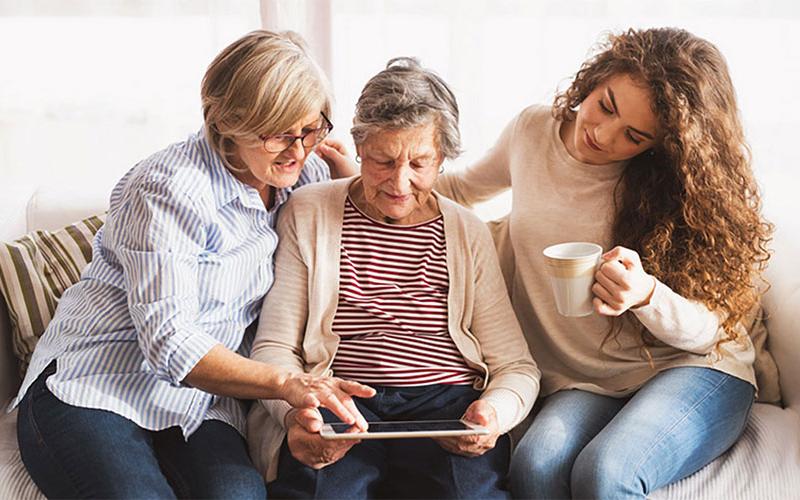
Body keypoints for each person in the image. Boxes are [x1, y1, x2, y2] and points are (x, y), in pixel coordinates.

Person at [12, 30, 375, 499]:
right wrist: (287, 383)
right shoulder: (167, 187)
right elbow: (170, 341)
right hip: (94, 383)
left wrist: (351, 179)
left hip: (199, 404)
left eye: (311, 128)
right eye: (278, 134)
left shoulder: (304, 171)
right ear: (226, 121)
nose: (298, 148)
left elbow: (377, 212)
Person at [434, 27, 773, 499]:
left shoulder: (673, 185)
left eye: (634, 136)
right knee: (534, 466)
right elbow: (456, 190)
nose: (601, 133)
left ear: (661, 144)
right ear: (594, 79)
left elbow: (708, 332)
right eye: (605, 106)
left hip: (693, 367)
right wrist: (362, 180)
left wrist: (647, 295)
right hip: (585, 378)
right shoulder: (532, 131)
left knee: (605, 472)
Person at [246, 57, 541, 499]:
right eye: (383, 161)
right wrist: (296, 414)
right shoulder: (308, 212)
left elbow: (516, 368)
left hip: (446, 406)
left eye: (420, 163)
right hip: (339, 399)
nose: (399, 184)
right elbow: (274, 348)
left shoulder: (466, 231)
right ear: (358, 147)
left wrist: (492, 415)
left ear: (443, 158)